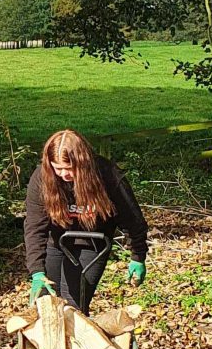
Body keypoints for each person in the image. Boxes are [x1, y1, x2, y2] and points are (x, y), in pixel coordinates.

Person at [23, 129, 149, 313]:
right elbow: (34, 226)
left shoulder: (107, 176)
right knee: (47, 306)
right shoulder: (42, 179)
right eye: (58, 168)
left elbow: (132, 219)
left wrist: (138, 255)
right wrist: (37, 271)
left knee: (72, 307)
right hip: (56, 243)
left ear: (82, 162)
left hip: (93, 243)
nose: (64, 174)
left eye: (69, 168)